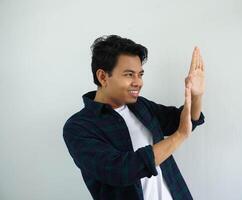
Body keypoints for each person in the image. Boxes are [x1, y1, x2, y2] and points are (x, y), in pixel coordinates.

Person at [63, 34, 206, 200]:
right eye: (129, 74)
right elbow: (121, 171)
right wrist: (179, 136)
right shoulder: (79, 127)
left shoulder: (141, 106)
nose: (138, 82)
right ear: (103, 77)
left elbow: (183, 121)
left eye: (140, 74)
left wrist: (196, 96)